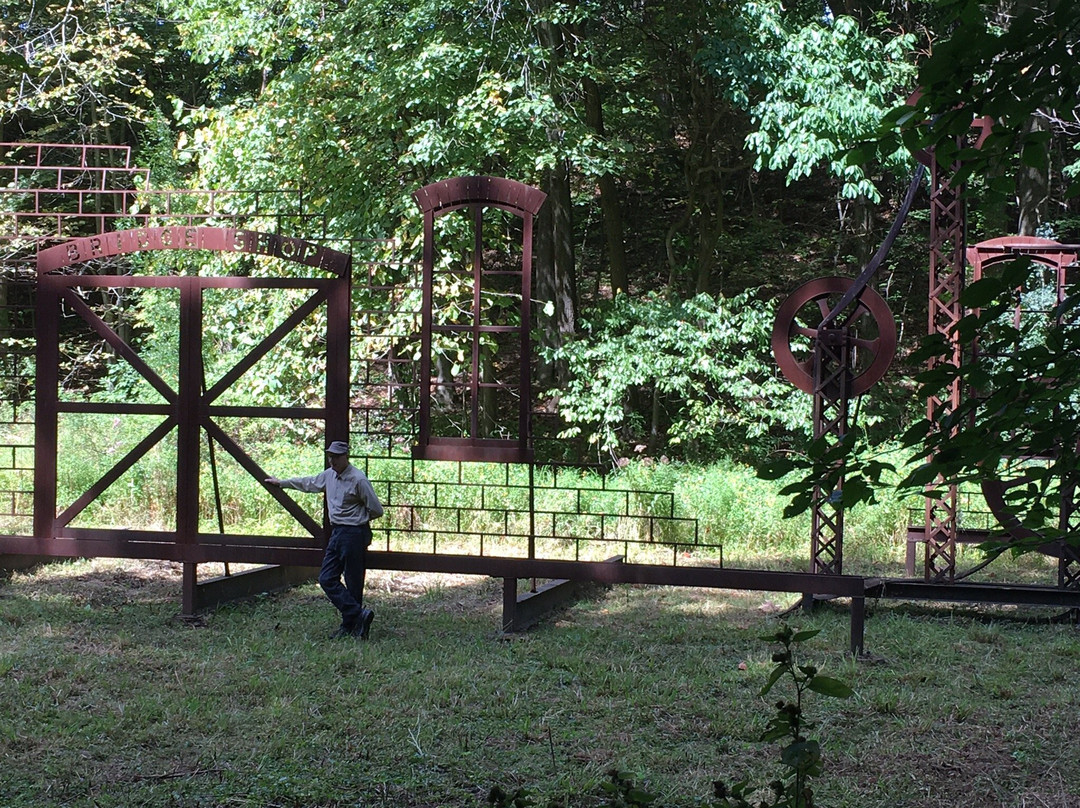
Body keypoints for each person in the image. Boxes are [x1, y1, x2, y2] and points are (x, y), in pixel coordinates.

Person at [265, 440, 384, 640]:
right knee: (326, 578)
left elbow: (376, 510)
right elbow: (309, 483)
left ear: (346, 456)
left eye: (337, 456)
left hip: (354, 533)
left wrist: (357, 521)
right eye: (330, 456)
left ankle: (351, 626)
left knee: (353, 580)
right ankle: (358, 615)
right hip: (338, 533)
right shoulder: (329, 475)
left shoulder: (358, 479)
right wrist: (282, 483)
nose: (333, 460)